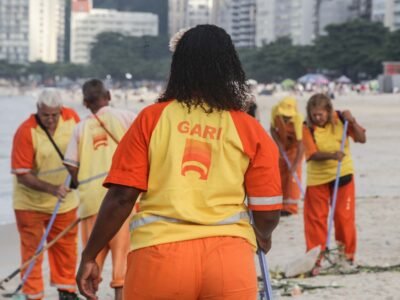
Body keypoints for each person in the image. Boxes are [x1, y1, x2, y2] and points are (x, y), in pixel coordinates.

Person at [76, 24, 282, 300]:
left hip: (159, 258)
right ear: (231, 67)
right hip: (229, 260)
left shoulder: (152, 119)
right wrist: (263, 236)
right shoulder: (248, 128)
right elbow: (267, 212)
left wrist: (91, 255)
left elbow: (122, 196)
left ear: (179, 66)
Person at [63, 79, 136, 300]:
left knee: (90, 262)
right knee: (122, 267)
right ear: (109, 95)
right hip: (122, 200)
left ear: (85, 103)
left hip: (90, 203)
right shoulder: (126, 117)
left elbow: (70, 164)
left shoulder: (80, 128)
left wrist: (80, 182)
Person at [11, 89, 80, 300]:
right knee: (32, 251)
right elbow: (22, 174)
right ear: (38, 111)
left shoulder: (72, 119)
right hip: (30, 204)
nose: (50, 120)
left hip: (65, 203)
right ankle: (33, 294)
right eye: (45, 115)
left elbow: (81, 147)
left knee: (66, 248)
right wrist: (52, 189)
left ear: (61, 110)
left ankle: (66, 290)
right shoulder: (26, 131)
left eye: (54, 115)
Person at [302, 93, 366, 269]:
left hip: (342, 175)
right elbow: (312, 154)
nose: (317, 118)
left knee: (343, 217)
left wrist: (352, 121)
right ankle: (316, 258)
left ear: (329, 111)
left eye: (320, 114)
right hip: (317, 179)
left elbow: (361, 139)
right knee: (316, 220)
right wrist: (332, 155)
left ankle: (347, 256)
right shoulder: (307, 127)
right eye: (314, 114)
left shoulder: (341, 120)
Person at [270, 96, 304, 216]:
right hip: (282, 146)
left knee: (293, 176)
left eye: (288, 116)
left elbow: (301, 145)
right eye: (284, 115)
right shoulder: (275, 111)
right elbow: (273, 129)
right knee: (281, 174)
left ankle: (291, 207)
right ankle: (281, 205)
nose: (285, 118)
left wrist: (295, 164)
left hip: (295, 148)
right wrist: (278, 144)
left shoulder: (298, 119)